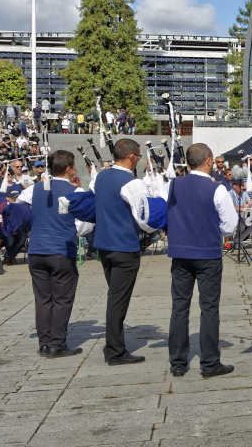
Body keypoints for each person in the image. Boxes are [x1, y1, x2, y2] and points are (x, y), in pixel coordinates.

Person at [166, 143, 237, 378]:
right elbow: (229, 225)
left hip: (180, 253)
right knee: (208, 308)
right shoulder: (216, 189)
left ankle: (177, 362)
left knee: (179, 307)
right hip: (207, 253)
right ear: (208, 161)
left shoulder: (173, 184)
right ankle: (209, 362)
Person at [17, 149, 88, 356]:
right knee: (62, 298)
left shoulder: (35, 189)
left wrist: (37, 220)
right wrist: (72, 230)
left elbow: (20, 205)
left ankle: (44, 341)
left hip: (37, 249)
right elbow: (84, 223)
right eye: (73, 167)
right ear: (68, 169)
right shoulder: (76, 192)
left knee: (43, 298)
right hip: (60, 249)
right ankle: (57, 343)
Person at [93, 138, 156, 365]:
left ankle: (114, 346)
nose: (138, 159)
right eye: (138, 156)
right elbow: (144, 217)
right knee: (118, 300)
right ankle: (115, 351)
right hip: (124, 246)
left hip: (104, 245)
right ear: (131, 156)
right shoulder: (132, 182)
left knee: (114, 296)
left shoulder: (101, 176)